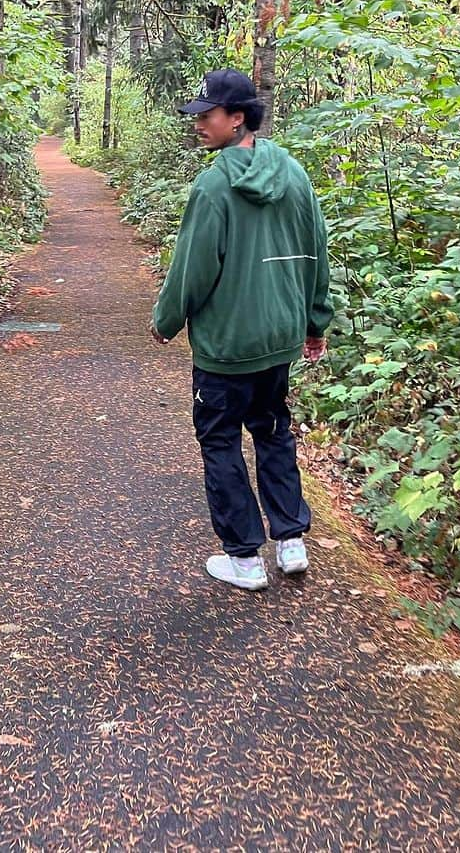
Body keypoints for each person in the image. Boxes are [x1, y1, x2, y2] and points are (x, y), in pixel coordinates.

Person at [151, 68, 333, 591]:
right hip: (278, 340)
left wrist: (166, 322)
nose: (199, 124)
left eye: (207, 116)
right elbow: (316, 254)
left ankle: (246, 559)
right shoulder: (294, 174)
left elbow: (192, 268)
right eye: (198, 116)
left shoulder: (213, 185)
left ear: (238, 118)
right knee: (274, 431)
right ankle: (291, 541)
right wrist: (314, 321)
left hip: (227, 349)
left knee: (221, 441)